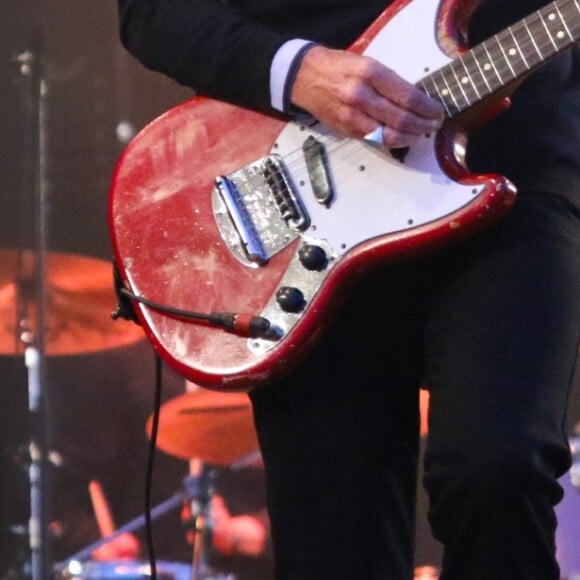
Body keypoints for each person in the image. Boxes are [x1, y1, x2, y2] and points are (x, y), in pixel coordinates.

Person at [115, 1, 580, 579]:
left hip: (514, 171)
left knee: (499, 469)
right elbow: (153, 12)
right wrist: (297, 70)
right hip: (304, 186)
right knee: (334, 538)